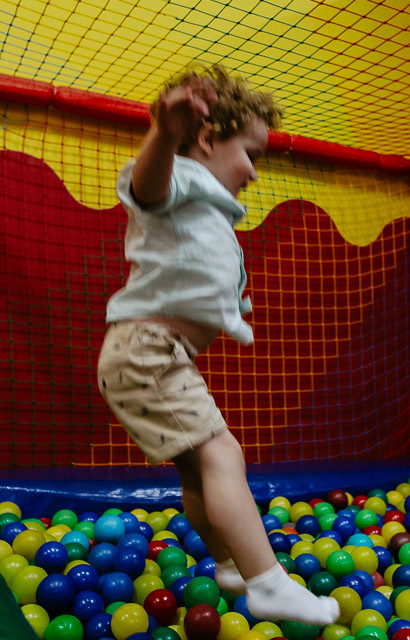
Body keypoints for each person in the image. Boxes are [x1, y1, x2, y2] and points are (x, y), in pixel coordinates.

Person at [96, 65, 339, 626]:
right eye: (251, 153)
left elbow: (203, 270)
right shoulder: (181, 177)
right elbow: (146, 186)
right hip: (146, 349)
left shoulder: (211, 210)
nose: (255, 171)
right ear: (206, 140)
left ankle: (230, 565)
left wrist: (233, 305)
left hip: (151, 354)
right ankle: (267, 582)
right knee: (224, 454)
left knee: (197, 471)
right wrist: (163, 130)